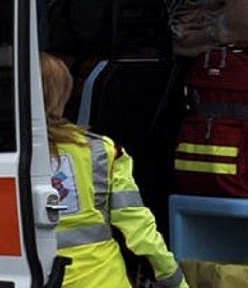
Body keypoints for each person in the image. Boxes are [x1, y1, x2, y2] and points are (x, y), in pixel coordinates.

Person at [40, 52, 188, 288]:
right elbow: (138, 227)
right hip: (102, 280)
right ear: (63, 94)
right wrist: (174, 279)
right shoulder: (103, 151)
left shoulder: (0, 158)